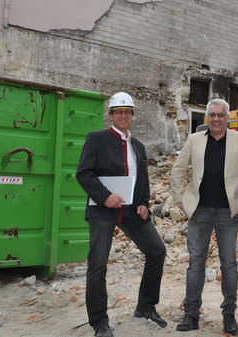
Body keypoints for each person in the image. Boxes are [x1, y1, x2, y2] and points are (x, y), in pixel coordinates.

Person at [76, 92, 167, 337]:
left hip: (130, 210)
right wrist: (105, 195)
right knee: (97, 265)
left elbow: (143, 181)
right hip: (103, 209)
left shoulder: (138, 145)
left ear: (132, 115)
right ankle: (99, 323)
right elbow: (83, 173)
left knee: (157, 251)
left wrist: (143, 203)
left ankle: (146, 306)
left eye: (128, 112)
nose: (124, 115)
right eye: (119, 111)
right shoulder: (96, 139)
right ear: (111, 115)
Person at [170, 98, 238, 335]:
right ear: (207, 117)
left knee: (229, 264)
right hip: (199, 211)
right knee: (195, 262)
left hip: (228, 212)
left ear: (227, 117)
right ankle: (191, 314)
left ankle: (229, 314)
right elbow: (178, 169)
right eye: (212, 115)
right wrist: (179, 198)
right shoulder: (194, 140)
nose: (216, 119)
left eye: (221, 115)